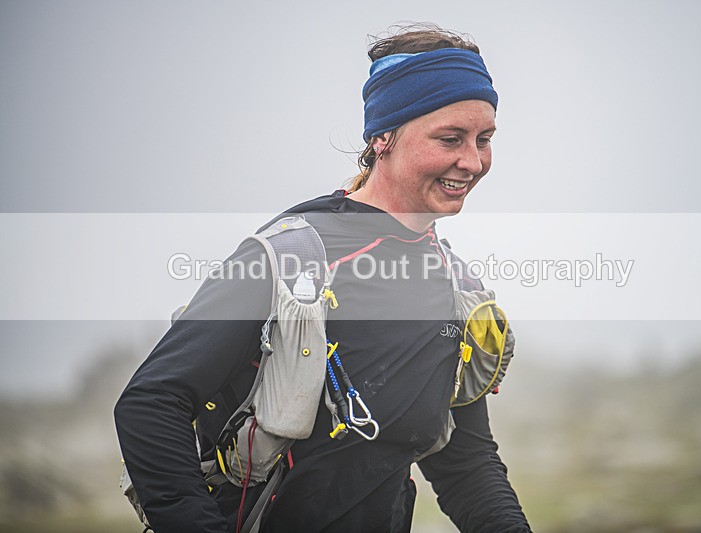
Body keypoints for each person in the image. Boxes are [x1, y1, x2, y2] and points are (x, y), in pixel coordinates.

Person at [115, 25, 532, 533]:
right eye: (450, 139)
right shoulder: (287, 258)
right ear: (383, 137)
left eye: (483, 139)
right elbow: (151, 403)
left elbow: (465, 465)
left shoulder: (453, 286)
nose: (472, 161)